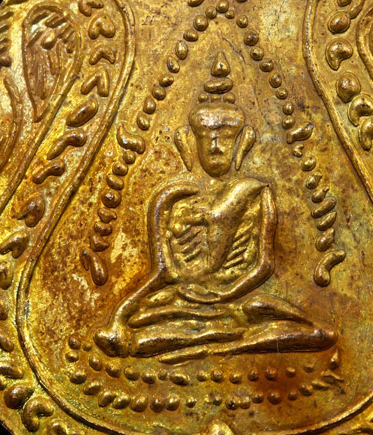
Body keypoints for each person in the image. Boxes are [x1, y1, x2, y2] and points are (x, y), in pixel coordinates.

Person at [95, 53, 337, 363]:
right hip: (183, 297)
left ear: (241, 143)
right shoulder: (174, 197)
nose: (214, 147)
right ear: (190, 142)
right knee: (149, 315)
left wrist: (225, 293)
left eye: (223, 138)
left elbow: (264, 265)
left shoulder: (255, 192)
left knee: (259, 308)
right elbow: (163, 272)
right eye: (207, 138)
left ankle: (215, 342)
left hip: (236, 299)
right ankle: (210, 339)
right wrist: (122, 312)